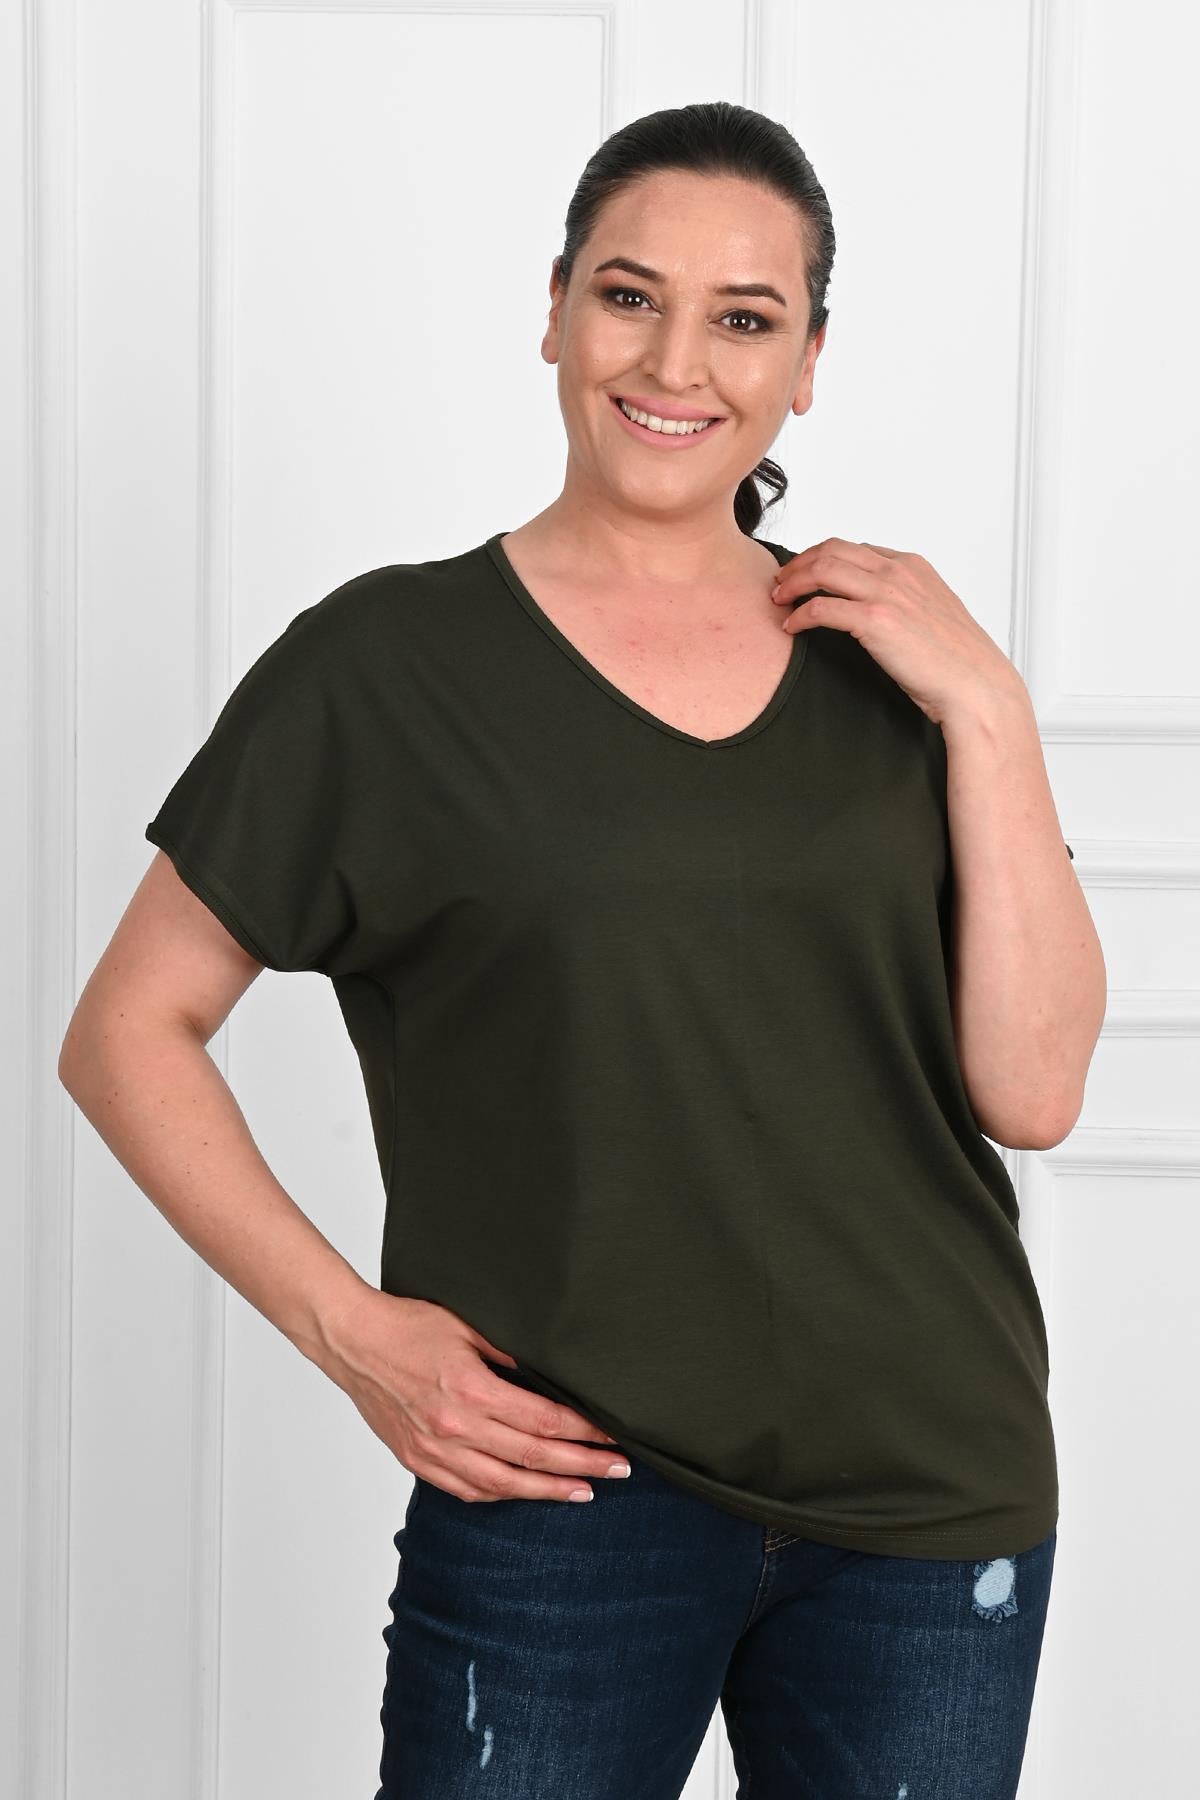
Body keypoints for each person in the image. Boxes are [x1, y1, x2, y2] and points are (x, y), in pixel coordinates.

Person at [59, 100, 1105, 1799]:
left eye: (745, 318)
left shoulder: (905, 670)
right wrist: (351, 1331)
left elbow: (1035, 1089)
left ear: (808, 364)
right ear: (554, 312)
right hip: (561, 1499)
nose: (676, 362)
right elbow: (127, 1030)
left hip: (931, 1499)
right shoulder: (382, 667)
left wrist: (990, 709)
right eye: (630, 296)